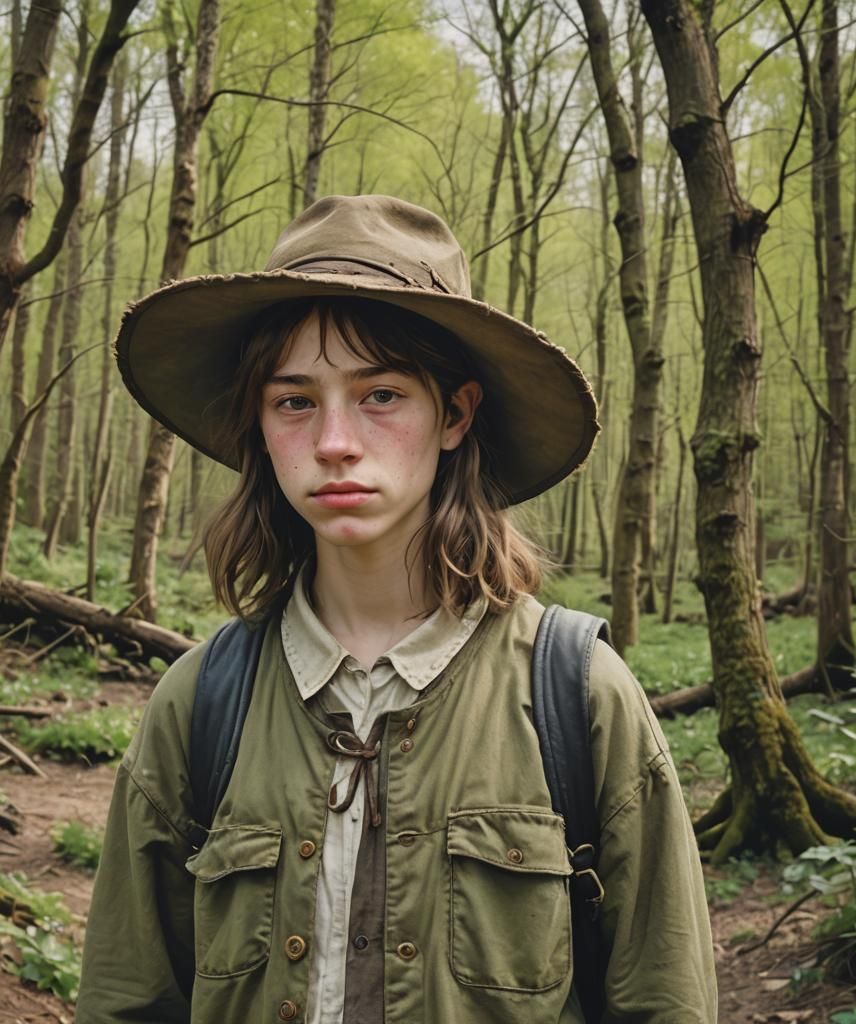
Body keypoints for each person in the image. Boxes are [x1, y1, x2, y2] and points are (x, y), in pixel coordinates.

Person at [77, 194, 717, 1022]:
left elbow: (665, 1000)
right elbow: (127, 1000)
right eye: (295, 400)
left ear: (454, 414)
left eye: (379, 395)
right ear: (261, 427)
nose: (334, 439)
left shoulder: (580, 696)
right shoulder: (202, 703)